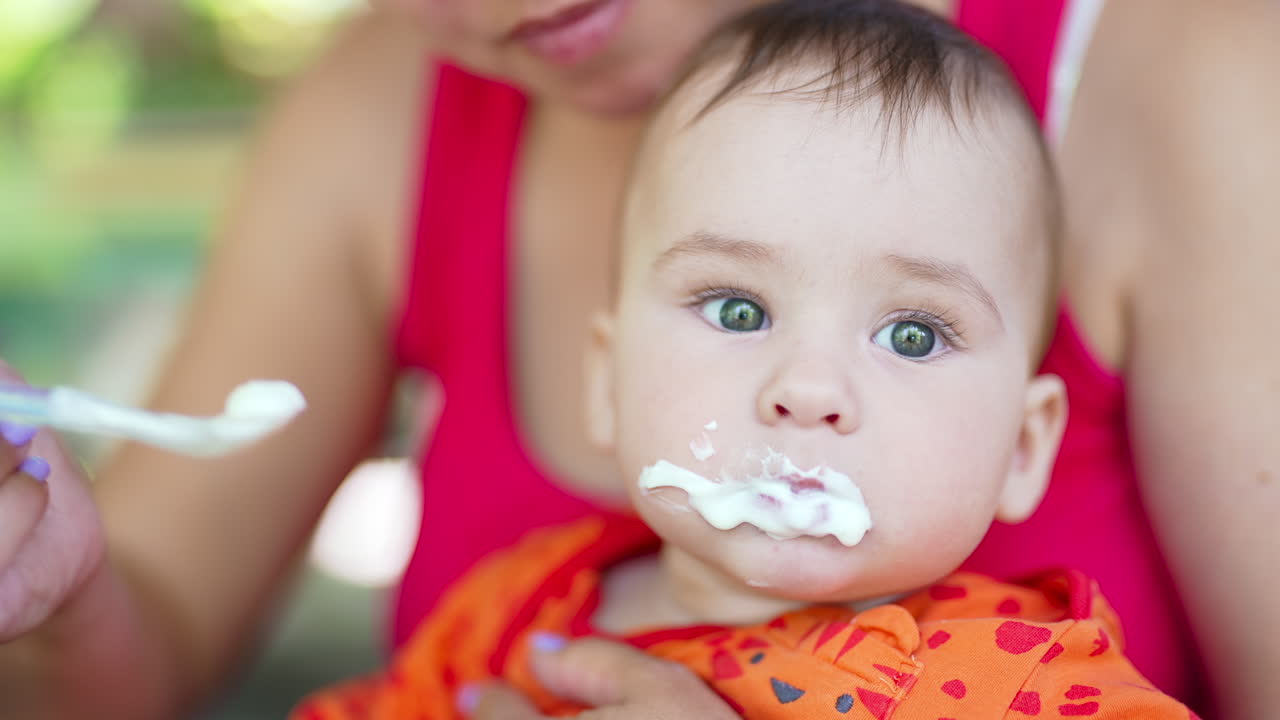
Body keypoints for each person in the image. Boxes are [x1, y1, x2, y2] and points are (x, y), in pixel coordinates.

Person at [0, 0, 1275, 717]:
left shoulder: (1031, 686)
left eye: (909, 335)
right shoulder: (518, 615)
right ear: (607, 378)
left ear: (1025, 446)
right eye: (730, 309)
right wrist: (51, 578)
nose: (807, 387)